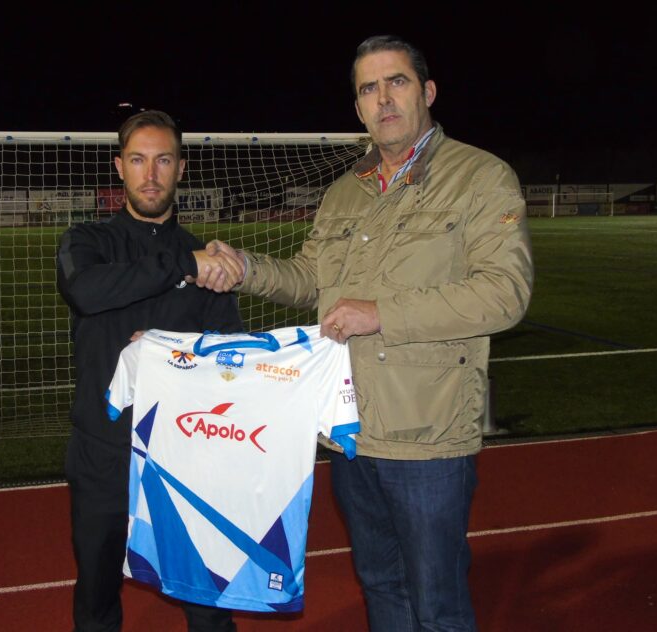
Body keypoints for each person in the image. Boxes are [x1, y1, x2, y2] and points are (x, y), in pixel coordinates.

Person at [206, 35, 534, 631]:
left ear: (427, 92)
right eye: (368, 89)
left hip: (428, 436)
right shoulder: (344, 192)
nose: (383, 98)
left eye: (396, 82)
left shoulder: (480, 177)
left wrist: (382, 312)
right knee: (381, 585)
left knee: (437, 603)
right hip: (350, 431)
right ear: (357, 108)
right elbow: (310, 279)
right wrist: (246, 268)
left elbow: (504, 293)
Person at [56, 110, 241, 632]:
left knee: (207, 601)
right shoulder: (86, 242)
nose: (151, 174)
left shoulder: (208, 261)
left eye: (163, 160)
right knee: (97, 595)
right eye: (138, 160)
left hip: (184, 454)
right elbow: (86, 291)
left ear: (181, 168)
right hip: (104, 452)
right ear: (120, 167)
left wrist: (170, 352)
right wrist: (182, 265)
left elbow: (229, 358)